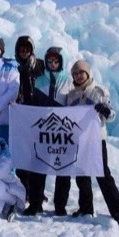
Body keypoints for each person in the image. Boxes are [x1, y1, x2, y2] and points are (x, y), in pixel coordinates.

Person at [57, 60, 119, 224]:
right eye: (75, 74)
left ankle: (118, 212)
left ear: (88, 73)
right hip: (79, 140)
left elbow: (111, 115)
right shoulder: (71, 95)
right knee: (82, 175)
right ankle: (86, 208)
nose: (78, 76)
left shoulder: (99, 92)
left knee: (103, 175)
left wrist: (106, 111)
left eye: (81, 72)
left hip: (96, 140)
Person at [36, 46, 75, 217]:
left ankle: (60, 205)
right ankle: (36, 203)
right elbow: (33, 103)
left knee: (63, 169)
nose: (52, 64)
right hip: (43, 129)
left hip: (62, 131)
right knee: (38, 165)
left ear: (62, 62)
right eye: (49, 61)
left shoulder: (69, 82)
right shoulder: (39, 81)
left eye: (56, 61)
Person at [13, 37, 48, 216]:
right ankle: (27, 190)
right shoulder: (15, 68)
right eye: (21, 49)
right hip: (22, 118)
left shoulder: (41, 66)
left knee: (38, 158)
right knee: (22, 158)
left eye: (27, 48)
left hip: (39, 118)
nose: (24, 51)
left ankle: (37, 195)